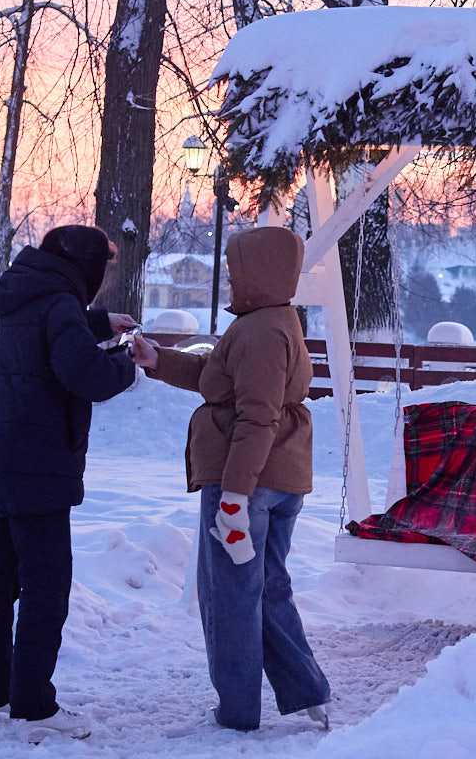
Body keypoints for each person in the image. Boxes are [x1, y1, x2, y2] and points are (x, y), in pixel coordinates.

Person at [131, 226, 330, 732]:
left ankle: (238, 710)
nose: (230, 276)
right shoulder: (273, 320)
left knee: (231, 598)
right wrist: (159, 360)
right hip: (279, 476)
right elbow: (219, 379)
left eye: (235, 267)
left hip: (247, 482)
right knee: (267, 589)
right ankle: (307, 692)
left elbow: (256, 417)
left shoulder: (260, 332)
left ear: (257, 270)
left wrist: (235, 496)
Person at [0, 225, 137, 744]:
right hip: (36, 465)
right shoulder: (60, 302)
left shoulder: (24, 294)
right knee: (46, 587)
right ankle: (34, 707)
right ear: (84, 266)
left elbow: (49, 332)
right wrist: (125, 364)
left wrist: (99, 322)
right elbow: (84, 374)